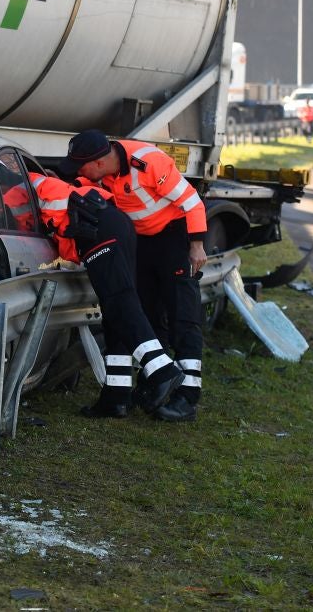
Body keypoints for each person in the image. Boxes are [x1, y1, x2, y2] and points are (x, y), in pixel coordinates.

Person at [67, 130, 207, 422]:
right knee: (142, 313)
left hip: (174, 238)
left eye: (82, 167)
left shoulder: (148, 162)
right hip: (140, 242)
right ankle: (134, 391)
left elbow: (192, 202)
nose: (79, 173)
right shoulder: (101, 173)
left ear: (99, 163)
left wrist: (196, 246)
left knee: (183, 314)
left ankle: (187, 396)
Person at [28, 171, 183, 418]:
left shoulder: (10, 183)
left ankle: (161, 370)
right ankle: (115, 397)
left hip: (95, 228)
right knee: (114, 312)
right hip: (112, 223)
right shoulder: (38, 181)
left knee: (119, 302)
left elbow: (24, 221)